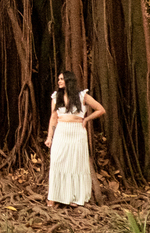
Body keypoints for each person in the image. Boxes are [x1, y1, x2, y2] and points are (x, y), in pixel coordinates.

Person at [44, 70, 105, 206]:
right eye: (58, 79)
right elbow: (53, 118)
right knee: (57, 162)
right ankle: (53, 197)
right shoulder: (56, 97)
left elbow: (100, 109)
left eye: (62, 79)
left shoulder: (82, 96)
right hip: (61, 131)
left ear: (69, 81)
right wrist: (49, 137)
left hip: (77, 132)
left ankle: (74, 196)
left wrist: (86, 119)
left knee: (75, 163)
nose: (59, 81)